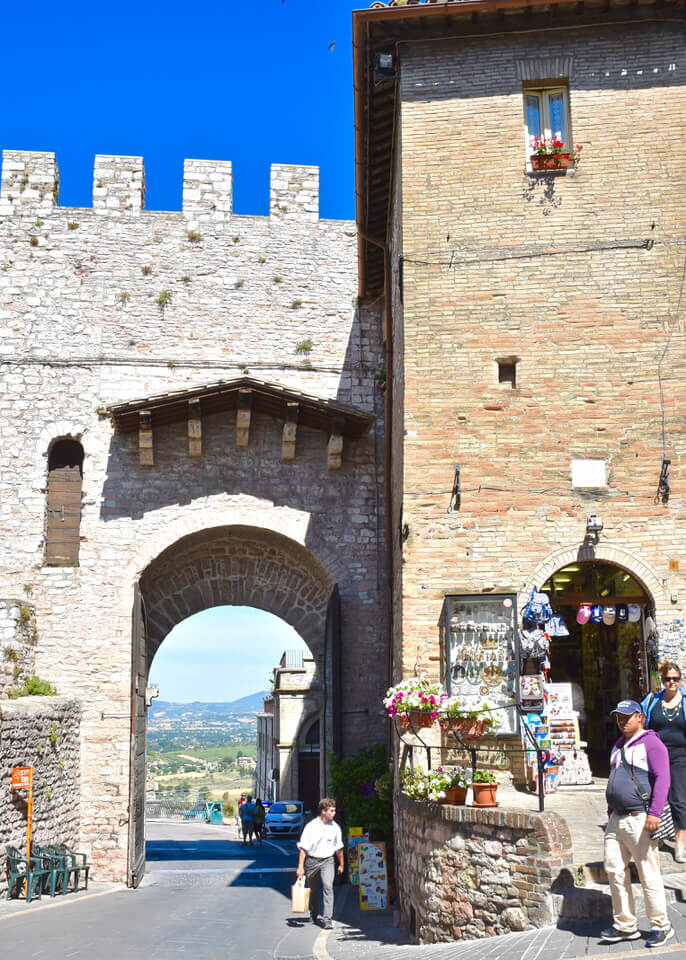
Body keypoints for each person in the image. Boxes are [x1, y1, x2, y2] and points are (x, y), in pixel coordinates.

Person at [601, 699, 673, 948]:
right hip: (616, 819)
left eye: (627, 716)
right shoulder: (618, 745)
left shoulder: (652, 743)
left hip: (639, 818)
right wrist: (610, 811)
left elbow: (663, 778)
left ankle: (661, 926)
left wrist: (654, 813)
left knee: (648, 873)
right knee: (614, 871)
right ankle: (625, 925)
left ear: (640, 717)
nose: (622, 720)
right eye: (619, 716)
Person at [642, 662, 686, 862]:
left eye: (675, 678)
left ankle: (680, 843)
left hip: (680, 755)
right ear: (662, 680)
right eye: (668, 679)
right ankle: (656, 837)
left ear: (680, 680)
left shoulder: (685, 700)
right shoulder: (652, 700)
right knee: (654, 796)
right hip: (656, 755)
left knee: (678, 799)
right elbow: (641, 721)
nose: (672, 682)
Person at [296, 797, 344, 929]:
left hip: (328, 861)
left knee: (328, 886)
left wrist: (341, 864)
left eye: (334, 810)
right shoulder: (311, 827)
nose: (334, 813)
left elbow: (339, 848)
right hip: (312, 861)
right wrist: (300, 867)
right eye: (331, 811)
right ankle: (314, 913)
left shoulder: (335, 828)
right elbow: (303, 848)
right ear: (323, 811)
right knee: (313, 889)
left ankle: (327, 919)